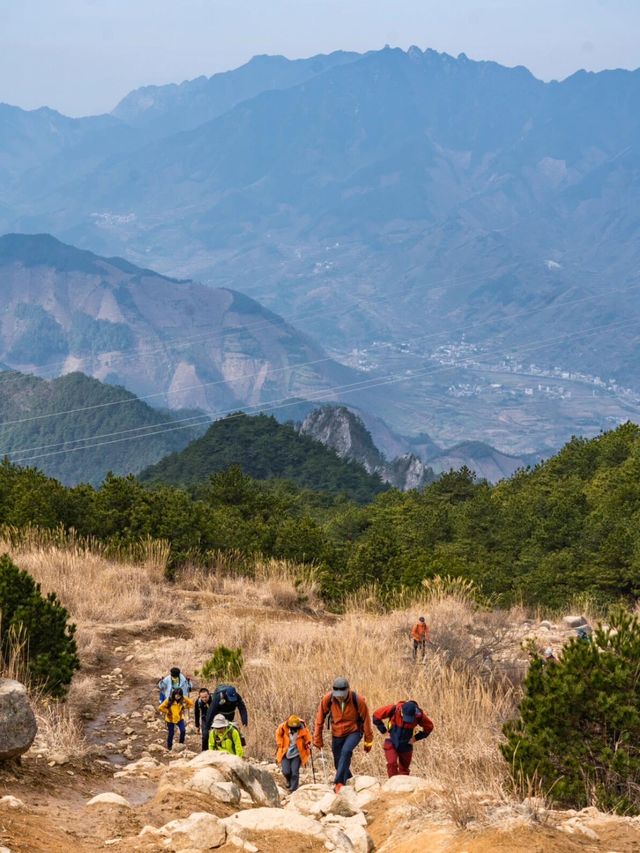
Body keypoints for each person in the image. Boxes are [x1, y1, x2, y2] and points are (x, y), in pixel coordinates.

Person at [313, 677, 373, 793]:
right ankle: (350, 781)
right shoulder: (328, 699)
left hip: (354, 731)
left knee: (346, 752)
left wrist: (368, 742)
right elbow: (319, 719)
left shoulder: (358, 700)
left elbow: (366, 720)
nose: (339, 697)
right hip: (337, 733)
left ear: (348, 690)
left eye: (342, 694)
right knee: (338, 762)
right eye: (337, 694)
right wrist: (317, 739)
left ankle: (338, 783)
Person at [372, 699, 433, 777]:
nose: (407, 720)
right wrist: (383, 731)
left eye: (410, 718)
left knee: (404, 770)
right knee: (392, 763)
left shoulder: (419, 715)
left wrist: (416, 738)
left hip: (406, 744)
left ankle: (402, 788)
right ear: (401, 710)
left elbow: (429, 727)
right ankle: (392, 785)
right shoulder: (394, 709)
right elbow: (376, 716)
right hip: (391, 741)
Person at [203, 684, 248, 749]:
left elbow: (242, 708)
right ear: (226, 694)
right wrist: (207, 727)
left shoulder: (237, 696)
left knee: (234, 731)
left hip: (230, 716)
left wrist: (244, 720)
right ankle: (206, 750)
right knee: (210, 734)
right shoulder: (219, 697)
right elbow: (211, 711)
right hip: (219, 717)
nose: (231, 700)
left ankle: (236, 747)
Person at [275, 715, 312, 793]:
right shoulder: (283, 727)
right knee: (286, 771)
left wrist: (308, 743)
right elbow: (277, 734)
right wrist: (280, 744)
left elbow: (308, 737)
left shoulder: (302, 728)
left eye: (296, 729)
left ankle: (293, 789)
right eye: (292, 729)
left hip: (297, 753)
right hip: (285, 752)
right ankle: (289, 781)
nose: (294, 730)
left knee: (294, 772)